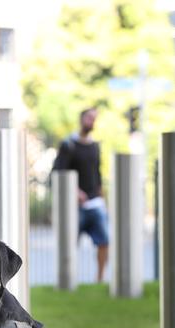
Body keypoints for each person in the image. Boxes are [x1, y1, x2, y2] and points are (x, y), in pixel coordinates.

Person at [52, 107, 108, 282]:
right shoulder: (68, 145)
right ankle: (69, 279)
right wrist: (75, 192)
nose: (92, 121)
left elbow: (97, 172)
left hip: (95, 203)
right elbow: (58, 172)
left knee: (104, 242)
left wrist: (101, 194)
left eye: (94, 118)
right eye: (89, 118)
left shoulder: (95, 146)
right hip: (75, 207)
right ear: (81, 119)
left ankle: (99, 279)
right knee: (70, 245)